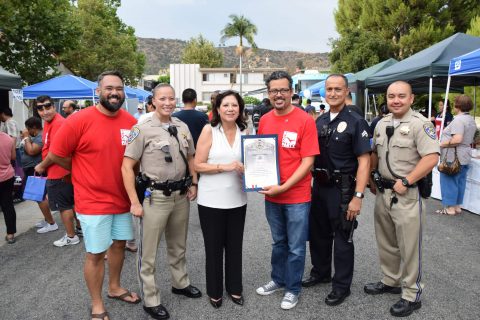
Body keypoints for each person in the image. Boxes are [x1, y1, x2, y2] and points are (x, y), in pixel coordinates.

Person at [50, 71, 141, 320]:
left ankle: (114, 287)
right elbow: (57, 153)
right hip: (92, 201)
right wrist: (77, 171)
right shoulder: (79, 120)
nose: (114, 92)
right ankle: (97, 303)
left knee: (120, 245)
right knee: (96, 253)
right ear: (98, 91)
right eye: (109, 88)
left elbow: (135, 159)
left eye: (119, 88)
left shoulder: (131, 122)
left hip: (122, 199)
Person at [122, 83, 201, 320]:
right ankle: (151, 298)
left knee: (178, 245)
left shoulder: (182, 126)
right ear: (153, 101)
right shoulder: (142, 128)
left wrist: (194, 182)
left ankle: (180, 283)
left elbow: (190, 157)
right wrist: (134, 202)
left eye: (171, 98)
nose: (168, 103)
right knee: (148, 252)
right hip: (154, 197)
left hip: (180, 196)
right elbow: (126, 167)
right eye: (162, 98)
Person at [366, 81, 439, 317]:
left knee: (409, 246)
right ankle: (390, 280)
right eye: (391, 96)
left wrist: (407, 180)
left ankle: (412, 294)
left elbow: (431, 158)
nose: (395, 100)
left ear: (411, 98)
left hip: (407, 194)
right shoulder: (382, 123)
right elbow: (375, 153)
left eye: (401, 96)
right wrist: (371, 178)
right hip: (384, 192)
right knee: (386, 241)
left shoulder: (421, 124)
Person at [302, 74, 371, 306]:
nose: (332, 93)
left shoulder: (356, 121)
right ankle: (320, 272)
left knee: (343, 236)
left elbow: (364, 161)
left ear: (346, 91)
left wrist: (358, 196)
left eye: (337, 89)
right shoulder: (319, 121)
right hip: (319, 187)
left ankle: (341, 286)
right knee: (318, 234)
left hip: (343, 189)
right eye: (329, 89)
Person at [255, 71, 319, 310]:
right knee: (278, 242)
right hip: (272, 194)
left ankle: (293, 289)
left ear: (292, 92)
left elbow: (308, 161)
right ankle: (278, 279)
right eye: (274, 91)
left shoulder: (305, 120)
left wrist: (284, 186)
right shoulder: (265, 119)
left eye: (283, 90)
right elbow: (260, 154)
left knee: (296, 246)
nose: (278, 95)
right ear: (268, 93)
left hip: (297, 196)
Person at [194, 90, 248, 308]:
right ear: (217, 109)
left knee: (235, 247)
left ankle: (235, 288)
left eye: (234, 105)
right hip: (211, 201)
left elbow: (252, 161)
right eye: (225, 105)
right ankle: (215, 291)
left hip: (238, 199)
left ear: (240, 109)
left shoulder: (245, 130)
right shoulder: (209, 130)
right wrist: (224, 167)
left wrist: (251, 171)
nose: (230, 109)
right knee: (214, 248)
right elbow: (197, 165)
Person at [34, 96, 79, 246]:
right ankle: (78, 229)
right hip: (60, 171)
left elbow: (56, 152)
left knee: (63, 206)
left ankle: (71, 237)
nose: (44, 111)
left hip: (59, 171)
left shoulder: (59, 123)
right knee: (70, 203)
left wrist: (41, 165)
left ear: (54, 107)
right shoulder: (49, 122)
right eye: (40, 108)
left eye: (47, 107)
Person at [436, 95, 477, 215]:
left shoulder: (459, 120)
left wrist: (441, 144)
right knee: (460, 181)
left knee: (449, 181)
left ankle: (449, 208)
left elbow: (457, 139)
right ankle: (457, 206)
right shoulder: (470, 119)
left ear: (457, 106)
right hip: (464, 155)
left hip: (454, 156)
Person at [19, 117, 56, 231]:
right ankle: (47, 219)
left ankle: (51, 223)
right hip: (32, 168)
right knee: (39, 196)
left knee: (39, 197)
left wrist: (26, 138)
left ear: (34, 128)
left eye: (28, 129)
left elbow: (31, 151)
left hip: (36, 169)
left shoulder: (40, 137)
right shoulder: (36, 137)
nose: (27, 131)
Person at [0, 131, 17, 244]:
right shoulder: (8, 138)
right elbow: (13, 157)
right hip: (7, 176)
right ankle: (10, 234)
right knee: (8, 205)